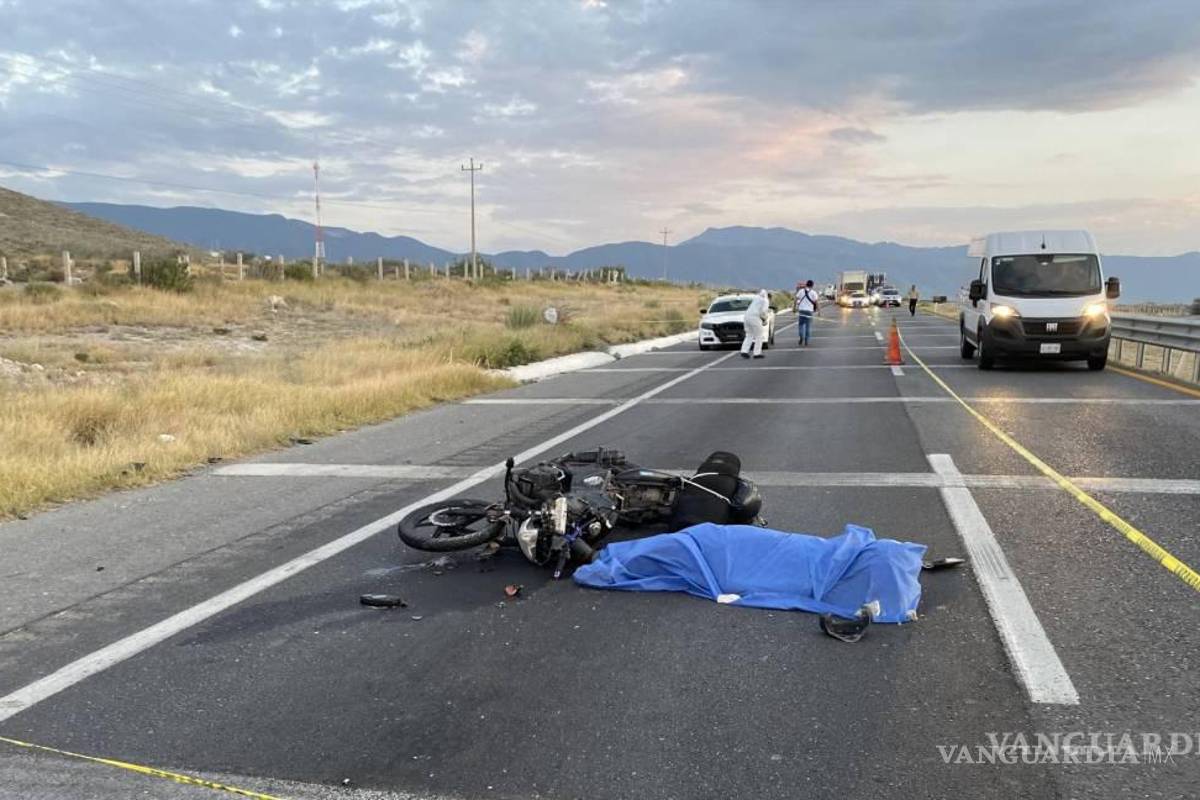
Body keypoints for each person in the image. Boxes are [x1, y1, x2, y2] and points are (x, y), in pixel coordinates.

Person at [740, 289, 770, 359]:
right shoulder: (765, 300)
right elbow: (763, 312)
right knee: (759, 335)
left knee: (749, 335)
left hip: (747, 317)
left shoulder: (756, 298)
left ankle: (744, 351)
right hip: (755, 317)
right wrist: (764, 319)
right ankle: (757, 353)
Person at [794, 279, 819, 346]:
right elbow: (816, 302)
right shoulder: (814, 292)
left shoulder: (801, 291)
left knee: (800, 325)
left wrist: (794, 308)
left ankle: (801, 336)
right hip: (809, 311)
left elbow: (795, 299)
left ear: (806, 284)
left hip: (801, 311)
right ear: (812, 285)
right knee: (808, 327)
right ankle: (806, 340)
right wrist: (819, 311)